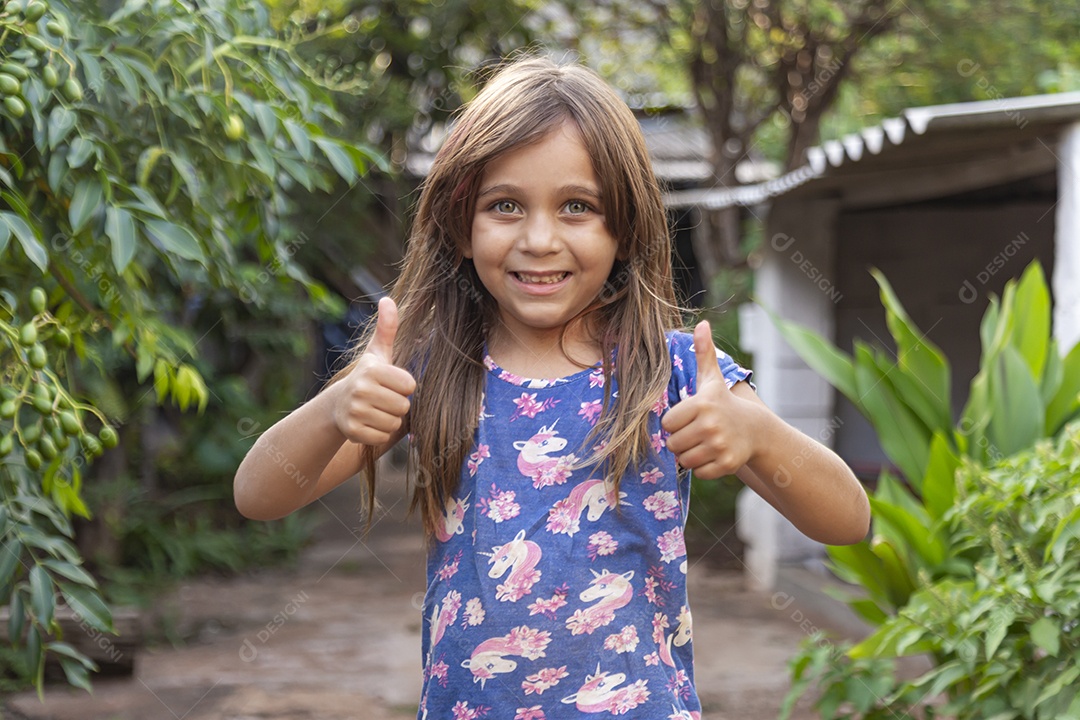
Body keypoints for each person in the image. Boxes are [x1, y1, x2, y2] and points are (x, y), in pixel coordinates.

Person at [234, 55, 869, 719]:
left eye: (577, 207)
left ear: (624, 228)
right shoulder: (431, 369)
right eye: (505, 205)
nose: (539, 239)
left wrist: (757, 436)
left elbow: (846, 520)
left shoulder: (676, 372)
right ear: (460, 226)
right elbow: (260, 495)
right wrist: (335, 410)